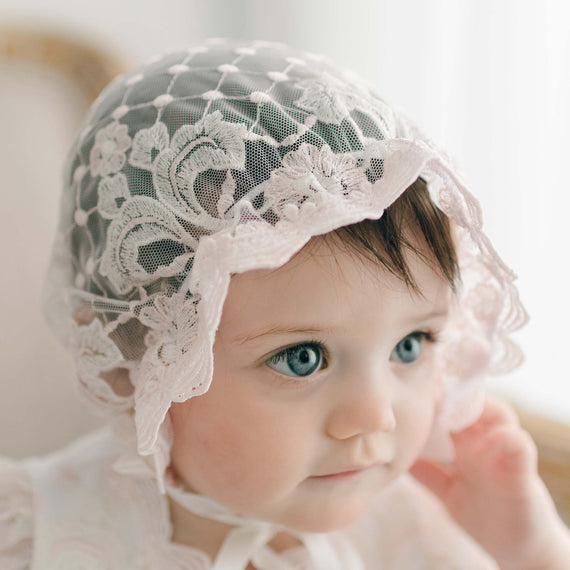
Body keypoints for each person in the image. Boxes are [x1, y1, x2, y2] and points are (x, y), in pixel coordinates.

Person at [1, 37, 568, 570]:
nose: (376, 416)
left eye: (410, 345)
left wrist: (532, 549)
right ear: (138, 363)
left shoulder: (412, 526)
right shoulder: (37, 529)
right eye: (303, 357)